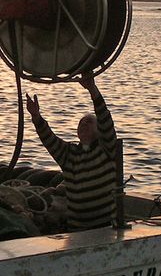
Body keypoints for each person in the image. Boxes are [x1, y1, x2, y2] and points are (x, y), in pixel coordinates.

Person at [26, 74, 118, 230]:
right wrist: (36, 116)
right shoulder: (69, 155)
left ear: (99, 130)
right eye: (80, 123)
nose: (83, 125)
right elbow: (49, 139)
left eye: (88, 122)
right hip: (77, 230)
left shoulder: (107, 149)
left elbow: (105, 117)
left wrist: (92, 89)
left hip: (106, 228)